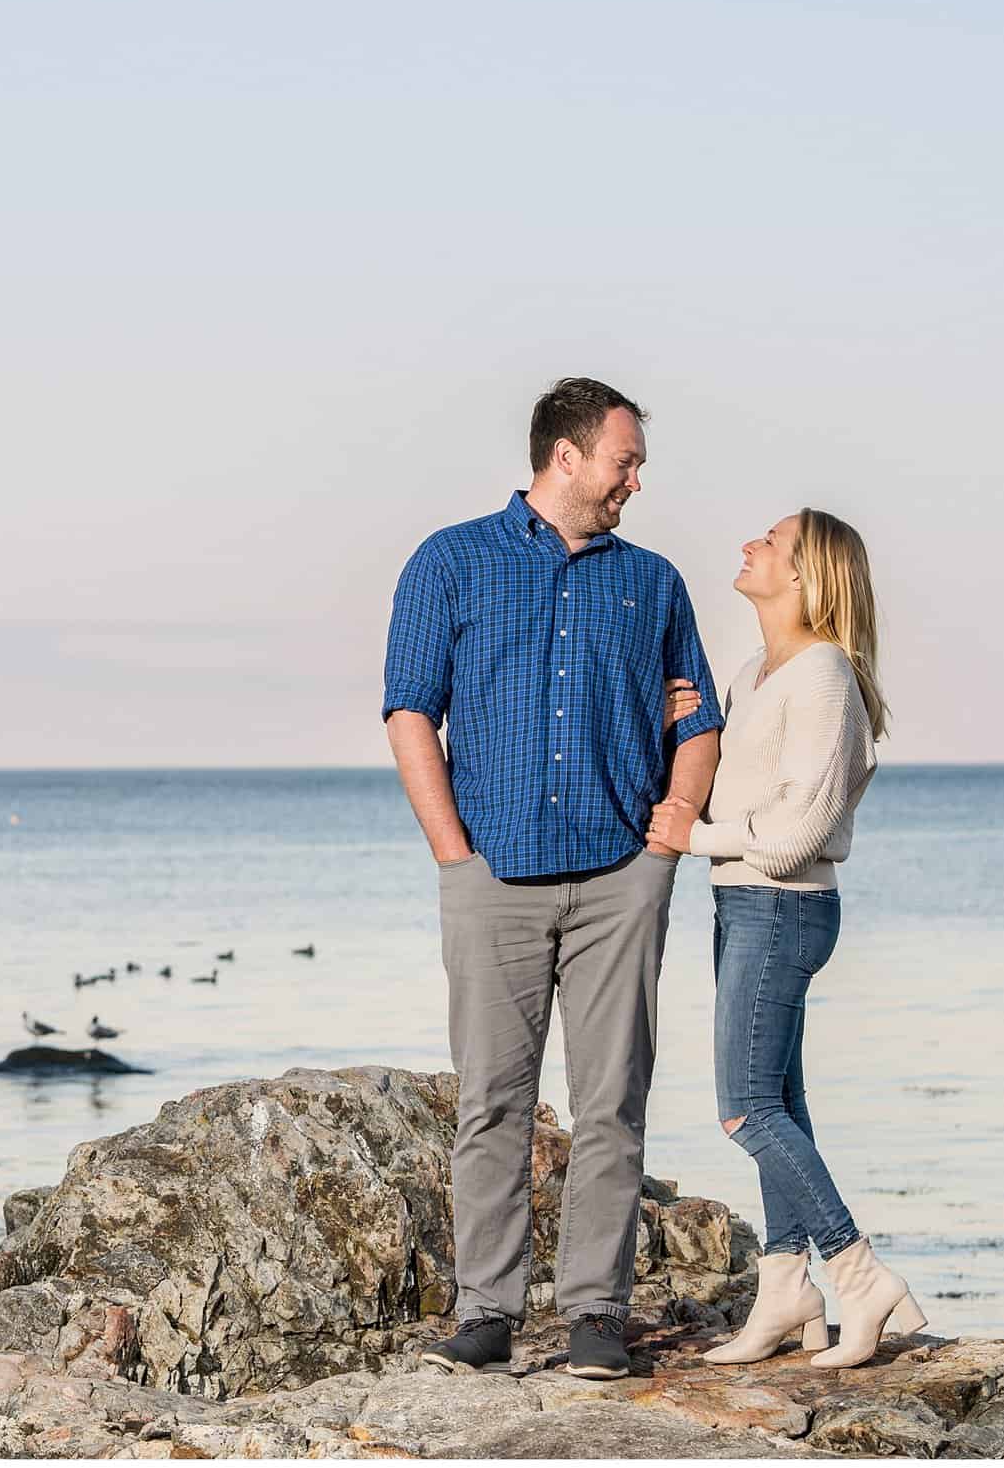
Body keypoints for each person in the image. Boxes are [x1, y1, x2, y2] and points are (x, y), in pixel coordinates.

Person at [383, 377, 724, 1380]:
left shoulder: (651, 581)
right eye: (624, 460)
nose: (635, 481)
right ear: (565, 457)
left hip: (621, 878)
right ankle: (485, 1312)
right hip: (492, 873)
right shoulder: (449, 562)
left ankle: (593, 1315)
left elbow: (696, 717)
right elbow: (410, 710)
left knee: (613, 1099)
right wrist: (454, 855)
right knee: (492, 1099)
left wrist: (666, 839)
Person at [647, 509, 926, 1368]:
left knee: (745, 1107)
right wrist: (676, 725)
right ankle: (783, 1289)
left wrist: (691, 837)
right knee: (783, 1105)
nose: (747, 546)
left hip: (782, 906)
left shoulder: (824, 675)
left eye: (769, 542)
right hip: (746, 905)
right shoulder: (754, 671)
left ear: (805, 578)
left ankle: (858, 1271)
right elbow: (745, 790)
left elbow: (800, 825)